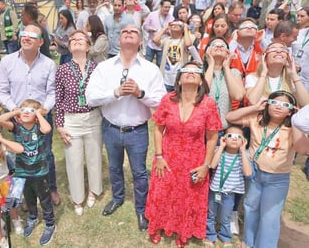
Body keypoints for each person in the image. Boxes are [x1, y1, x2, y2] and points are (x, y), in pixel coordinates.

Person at [86, 24, 166, 231]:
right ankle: (118, 197)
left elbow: (162, 102)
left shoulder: (150, 69)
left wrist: (141, 94)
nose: (129, 33)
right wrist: (115, 92)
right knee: (114, 167)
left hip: (137, 131)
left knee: (139, 172)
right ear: (118, 40)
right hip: (111, 128)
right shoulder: (104, 68)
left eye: (134, 32)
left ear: (141, 41)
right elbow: (91, 97)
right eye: (124, 32)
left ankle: (141, 209)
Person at [146, 62, 222, 246]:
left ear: (201, 80)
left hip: (194, 159)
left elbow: (212, 138)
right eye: (185, 70)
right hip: (167, 157)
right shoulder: (168, 99)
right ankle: (157, 226)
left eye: (195, 71)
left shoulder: (208, 104)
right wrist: (159, 156)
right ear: (178, 80)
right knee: (162, 193)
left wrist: (206, 165)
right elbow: (158, 129)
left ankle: (183, 231)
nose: (190, 73)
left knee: (187, 198)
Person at [226, 91, 309, 248]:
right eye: (275, 102)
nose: (278, 107)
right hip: (255, 173)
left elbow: (302, 148)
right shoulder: (257, 120)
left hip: (277, 179)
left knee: (270, 216)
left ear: (291, 110)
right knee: (250, 208)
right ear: (267, 104)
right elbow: (230, 117)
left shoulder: (292, 129)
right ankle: (248, 242)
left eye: (285, 105)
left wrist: (296, 122)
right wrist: (254, 108)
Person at [0, 24, 60, 206]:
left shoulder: (48, 64)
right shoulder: (7, 62)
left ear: (40, 42)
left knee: (45, 154)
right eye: (23, 34)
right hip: (18, 121)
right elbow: (2, 91)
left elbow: (52, 93)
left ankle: (51, 188)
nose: (26, 37)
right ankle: (26, 194)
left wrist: (43, 110)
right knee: (21, 156)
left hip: (41, 119)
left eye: (32, 36)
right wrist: (15, 110)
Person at [55, 30, 103, 215]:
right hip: (71, 120)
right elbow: (58, 99)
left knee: (94, 156)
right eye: (72, 39)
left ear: (88, 46)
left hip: (93, 118)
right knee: (73, 160)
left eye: (80, 39)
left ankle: (93, 190)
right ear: (69, 46)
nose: (76, 41)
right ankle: (77, 198)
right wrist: (60, 125)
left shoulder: (97, 68)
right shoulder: (62, 69)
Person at [0, 100, 56, 246]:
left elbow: (47, 129)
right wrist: (17, 111)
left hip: (40, 171)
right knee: (28, 197)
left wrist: (38, 114)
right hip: (22, 171)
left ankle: (50, 224)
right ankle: (32, 217)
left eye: (30, 110)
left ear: (36, 116)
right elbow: (0, 119)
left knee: (44, 198)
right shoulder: (16, 127)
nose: (25, 112)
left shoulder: (39, 127)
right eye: (23, 109)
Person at [204, 126, 252, 248]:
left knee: (226, 217)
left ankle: (225, 236)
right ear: (224, 139)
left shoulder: (244, 155)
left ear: (243, 141)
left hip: (230, 193)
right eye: (230, 136)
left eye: (238, 137)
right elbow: (213, 165)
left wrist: (242, 151)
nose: (234, 139)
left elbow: (248, 173)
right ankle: (210, 236)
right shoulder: (218, 151)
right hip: (215, 190)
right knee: (211, 214)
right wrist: (221, 147)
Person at [245, 42, 308, 107]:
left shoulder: (292, 79)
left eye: (283, 49)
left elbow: (306, 104)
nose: (279, 51)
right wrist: (263, 74)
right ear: (265, 57)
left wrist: (294, 75)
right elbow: (252, 101)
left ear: (287, 58)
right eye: (273, 49)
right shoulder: (253, 77)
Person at [204, 37, 245, 130]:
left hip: (225, 128)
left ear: (228, 52)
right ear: (207, 50)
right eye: (214, 45)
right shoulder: (201, 72)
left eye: (222, 45)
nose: (219, 47)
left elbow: (238, 96)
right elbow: (201, 93)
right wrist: (211, 65)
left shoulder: (234, 72)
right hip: (202, 129)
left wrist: (226, 67)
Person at [152, 19, 193, 92]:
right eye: (173, 24)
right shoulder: (167, 40)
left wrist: (186, 29)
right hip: (166, 79)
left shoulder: (184, 40)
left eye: (179, 25)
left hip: (179, 80)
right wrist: (166, 27)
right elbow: (155, 40)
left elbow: (188, 44)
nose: (175, 25)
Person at [143, 0, 174, 67]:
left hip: (162, 46)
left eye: (169, 7)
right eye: (165, 7)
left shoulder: (171, 18)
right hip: (151, 43)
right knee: (147, 64)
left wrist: (168, 32)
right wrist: (149, 29)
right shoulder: (152, 14)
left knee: (160, 65)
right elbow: (145, 26)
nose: (167, 9)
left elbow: (173, 33)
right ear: (160, 6)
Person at [292, 6, 309, 91]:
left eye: (302, 16)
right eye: (298, 16)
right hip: (294, 73)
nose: (298, 18)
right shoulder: (293, 31)